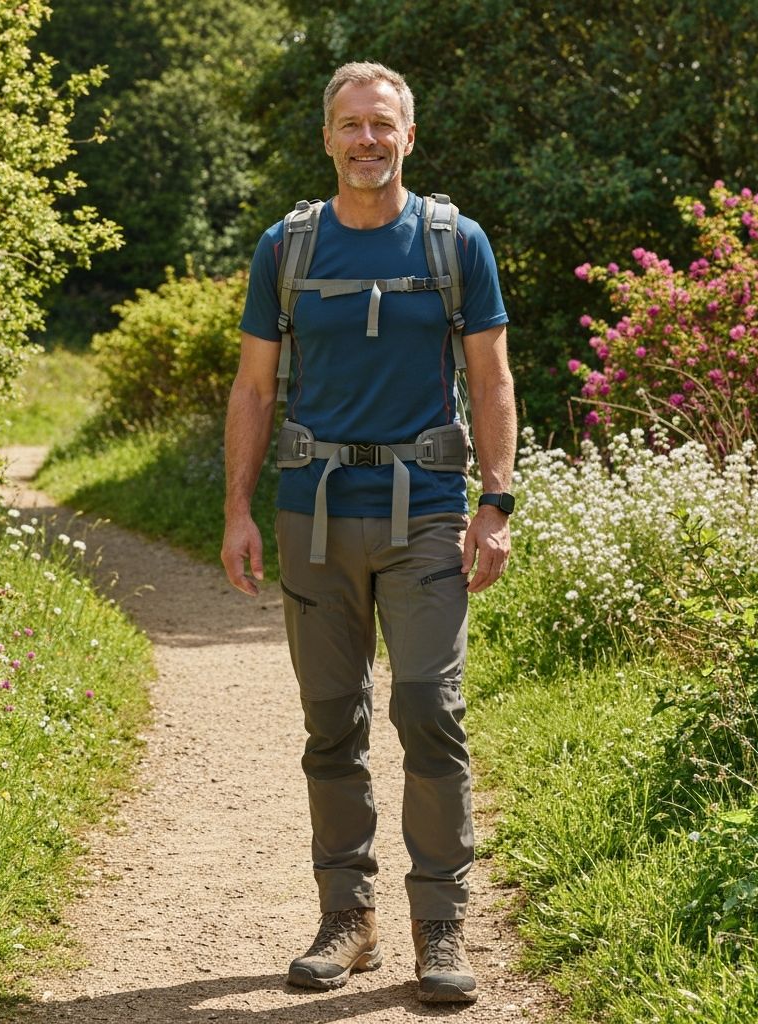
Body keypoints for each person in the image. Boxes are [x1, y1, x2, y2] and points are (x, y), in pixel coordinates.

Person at [221, 61, 516, 1005]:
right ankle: (348, 919)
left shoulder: (454, 240)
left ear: (408, 137)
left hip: (427, 510)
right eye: (349, 125)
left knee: (430, 708)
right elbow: (256, 386)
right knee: (330, 722)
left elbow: (494, 380)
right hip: (313, 514)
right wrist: (235, 510)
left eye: (381, 125)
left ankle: (441, 927)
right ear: (327, 138)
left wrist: (495, 503)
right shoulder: (288, 248)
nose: (366, 140)